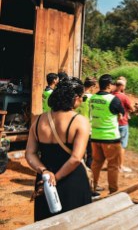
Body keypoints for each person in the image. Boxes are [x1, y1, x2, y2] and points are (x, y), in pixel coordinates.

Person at [25, 77, 91, 221]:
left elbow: (30, 153)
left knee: (46, 222)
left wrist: (45, 173)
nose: (82, 101)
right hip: (71, 180)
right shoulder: (80, 121)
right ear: (75, 98)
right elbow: (75, 159)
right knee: (76, 223)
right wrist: (55, 178)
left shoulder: (39, 120)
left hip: (44, 182)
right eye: (82, 98)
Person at [89, 74, 124, 197]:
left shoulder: (92, 98)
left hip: (95, 136)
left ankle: (92, 187)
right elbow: (122, 114)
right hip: (110, 137)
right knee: (113, 165)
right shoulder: (113, 99)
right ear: (109, 85)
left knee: (96, 163)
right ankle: (113, 191)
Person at [112, 77, 134, 173]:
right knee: (122, 146)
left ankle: (113, 165)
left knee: (113, 145)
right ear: (121, 86)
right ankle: (120, 166)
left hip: (112, 123)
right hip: (122, 123)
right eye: (124, 86)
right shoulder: (123, 97)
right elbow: (132, 108)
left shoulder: (110, 95)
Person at [76, 77, 97, 169]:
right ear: (92, 86)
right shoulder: (92, 98)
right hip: (88, 127)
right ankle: (88, 168)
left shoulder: (77, 96)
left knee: (79, 149)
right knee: (90, 151)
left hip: (76, 125)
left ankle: (80, 167)